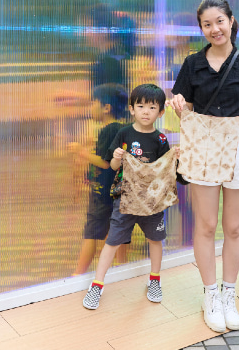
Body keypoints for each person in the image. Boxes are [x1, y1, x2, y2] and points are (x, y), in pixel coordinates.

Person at [169, 0, 239, 333]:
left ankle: (229, 293)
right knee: (206, 225)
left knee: (235, 227)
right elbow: (183, 105)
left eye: (219, 21)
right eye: (207, 24)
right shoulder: (193, 63)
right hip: (203, 147)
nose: (215, 29)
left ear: (231, 21)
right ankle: (209, 293)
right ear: (201, 28)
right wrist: (178, 103)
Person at [82, 84, 172, 309]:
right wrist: (116, 157)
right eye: (140, 106)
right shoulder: (123, 133)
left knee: (155, 240)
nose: (145, 111)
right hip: (124, 199)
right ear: (131, 109)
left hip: (151, 202)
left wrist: (174, 158)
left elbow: (165, 170)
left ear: (160, 112)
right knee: (112, 241)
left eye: (152, 107)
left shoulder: (161, 140)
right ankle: (96, 285)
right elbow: (112, 166)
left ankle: (155, 280)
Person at [70, 84, 131, 274]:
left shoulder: (108, 130)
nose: (90, 107)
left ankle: (78, 274)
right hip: (120, 191)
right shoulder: (123, 129)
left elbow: (105, 163)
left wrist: (81, 152)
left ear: (106, 107)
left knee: (91, 233)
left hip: (104, 193)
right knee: (119, 230)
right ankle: (122, 268)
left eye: (93, 103)